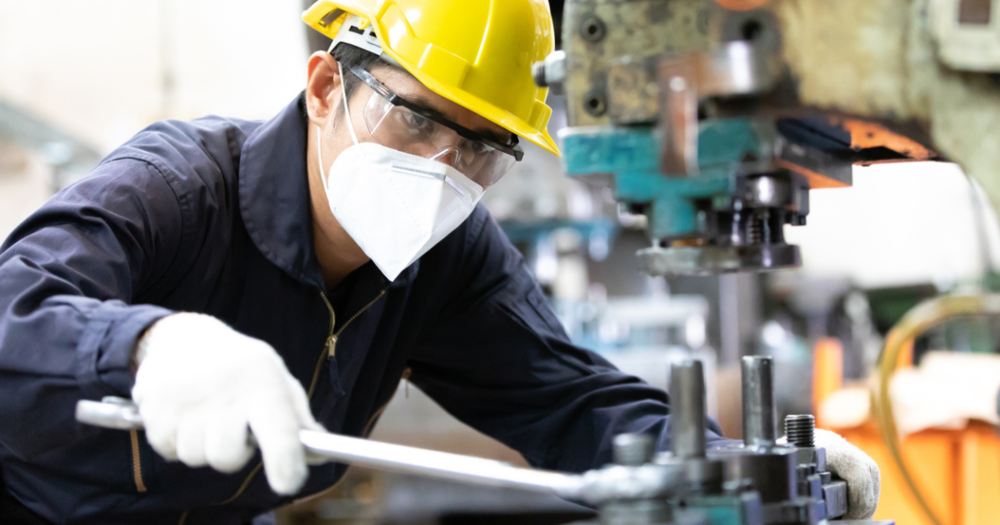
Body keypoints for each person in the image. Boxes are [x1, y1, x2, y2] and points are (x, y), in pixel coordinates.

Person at [0, 1, 880, 523]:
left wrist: (739, 470)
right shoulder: (180, 187)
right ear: (323, 88)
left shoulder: (446, 256)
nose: (442, 170)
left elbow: (569, 396)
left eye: (485, 146)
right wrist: (152, 348)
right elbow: (15, 304)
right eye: (417, 118)